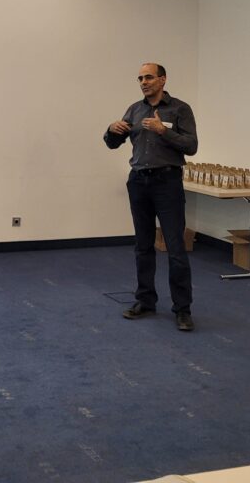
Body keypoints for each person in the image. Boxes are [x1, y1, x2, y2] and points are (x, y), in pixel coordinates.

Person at [104, 63, 198, 332]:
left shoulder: (180, 109)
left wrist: (162, 130)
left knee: (175, 248)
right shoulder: (135, 109)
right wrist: (111, 130)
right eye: (140, 78)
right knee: (143, 245)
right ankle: (145, 301)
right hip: (138, 182)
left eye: (148, 77)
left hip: (167, 182)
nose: (143, 82)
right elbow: (113, 144)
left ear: (162, 80)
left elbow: (191, 146)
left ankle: (183, 309)